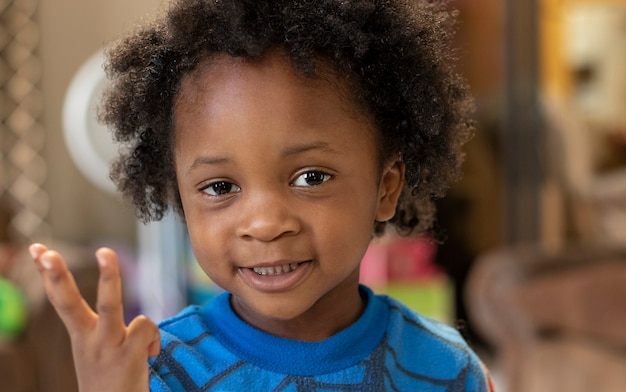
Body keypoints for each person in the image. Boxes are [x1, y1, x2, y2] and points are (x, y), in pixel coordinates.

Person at [30, 0, 495, 390]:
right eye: (220, 187)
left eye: (311, 177)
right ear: (179, 197)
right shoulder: (156, 371)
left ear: (386, 187)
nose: (266, 223)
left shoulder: (448, 370)